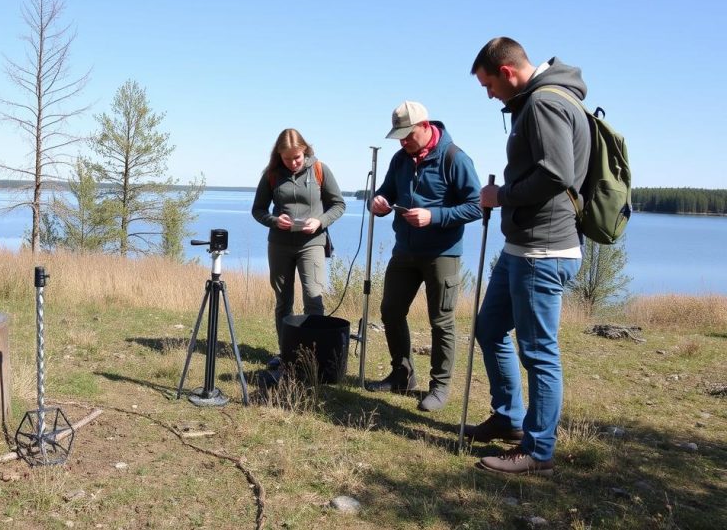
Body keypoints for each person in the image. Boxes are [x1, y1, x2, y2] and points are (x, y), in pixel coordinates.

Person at [465, 37, 590, 476]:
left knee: (538, 352)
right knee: (490, 327)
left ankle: (538, 451)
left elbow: (557, 175)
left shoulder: (543, 104)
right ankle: (510, 419)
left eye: (488, 85)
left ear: (508, 72)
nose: (489, 94)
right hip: (524, 246)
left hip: (544, 248)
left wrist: (501, 196)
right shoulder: (540, 101)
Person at [364, 101, 482, 412]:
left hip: (441, 254)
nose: (403, 142)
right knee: (390, 310)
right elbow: (385, 192)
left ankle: (439, 387)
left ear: (425, 126)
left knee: (441, 322)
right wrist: (377, 202)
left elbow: (476, 205)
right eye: (399, 136)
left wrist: (435, 216)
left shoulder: (455, 158)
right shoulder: (400, 159)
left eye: (408, 135)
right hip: (404, 250)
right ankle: (403, 375)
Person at [251, 128, 346, 369]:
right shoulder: (271, 175)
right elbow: (258, 210)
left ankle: (314, 357)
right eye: (287, 158)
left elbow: (338, 205)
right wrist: (275, 221)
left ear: (305, 151)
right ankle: (287, 354)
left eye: (297, 157)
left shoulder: (320, 170)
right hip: (280, 245)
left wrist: (320, 221)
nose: (293, 163)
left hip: (312, 244)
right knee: (283, 301)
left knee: (313, 299)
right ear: (278, 156)